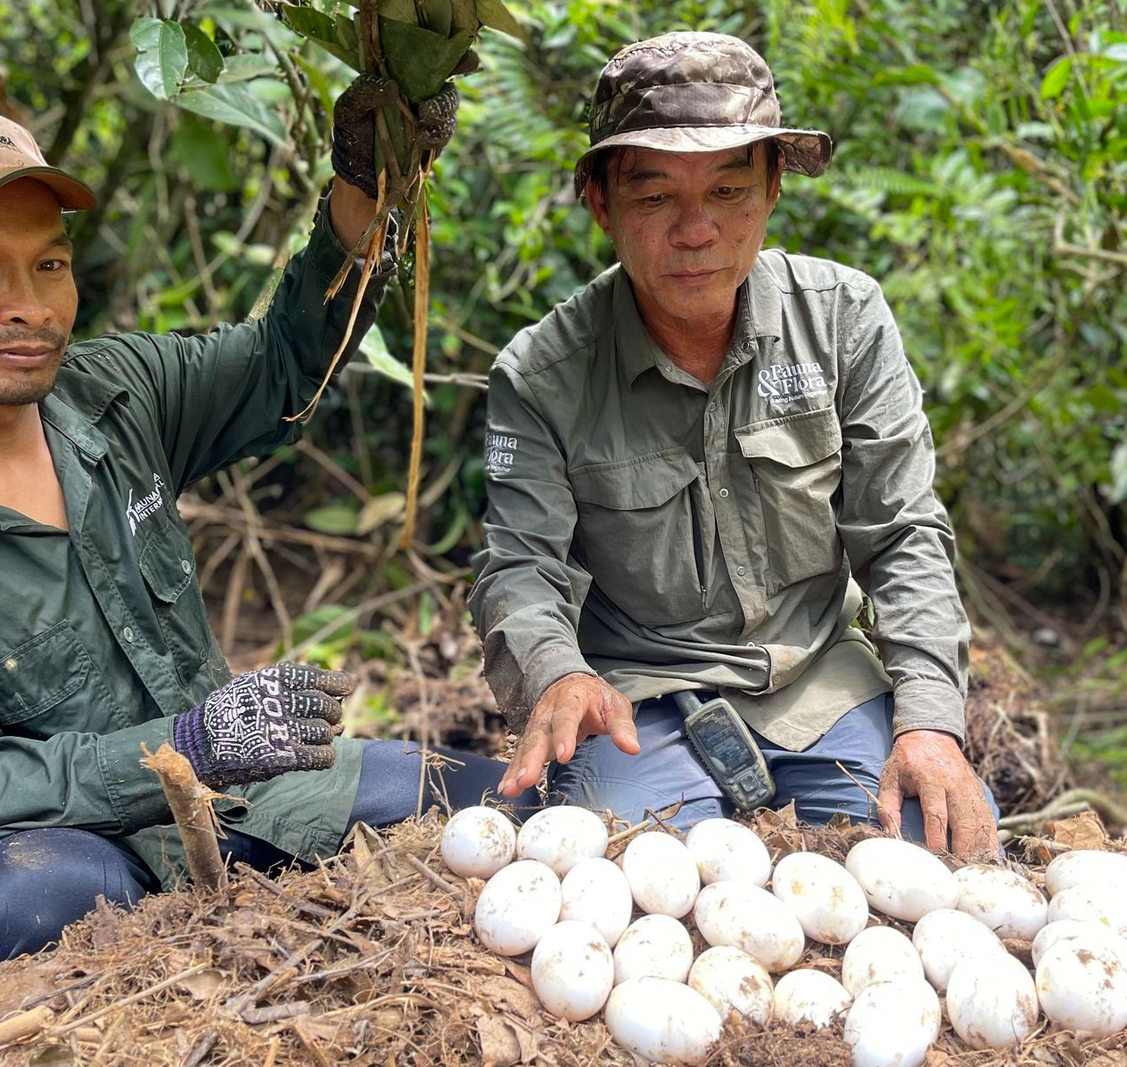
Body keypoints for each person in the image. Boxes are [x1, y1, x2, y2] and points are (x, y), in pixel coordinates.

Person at [0, 89, 529, 960]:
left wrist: (365, 188)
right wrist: (185, 744)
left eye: (49, 266)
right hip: (76, 847)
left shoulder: (119, 394)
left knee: (496, 802)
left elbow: (283, 364)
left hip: (243, 799)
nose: (28, 306)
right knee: (22, 906)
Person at [469, 31, 1001, 858]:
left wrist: (931, 720)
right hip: (638, 699)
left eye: (727, 191)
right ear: (600, 202)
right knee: (623, 874)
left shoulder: (843, 320)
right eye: (653, 198)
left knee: (927, 854)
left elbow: (903, 534)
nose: (695, 230)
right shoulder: (543, 374)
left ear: (773, 189)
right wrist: (558, 674)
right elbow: (521, 568)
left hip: (820, 681)